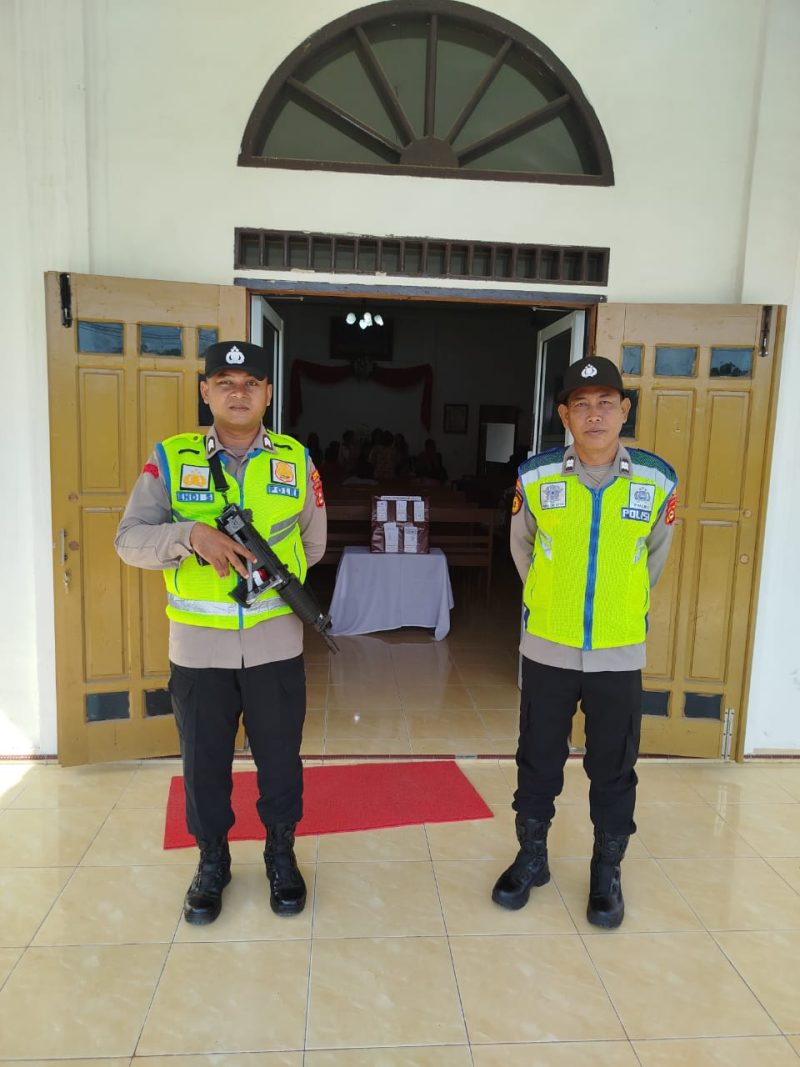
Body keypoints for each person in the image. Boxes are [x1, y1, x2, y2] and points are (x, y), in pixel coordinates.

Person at [115, 341, 327, 925]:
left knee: (280, 760)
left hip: (275, 644)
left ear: (267, 394)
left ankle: (281, 855)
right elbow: (129, 540)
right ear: (205, 391)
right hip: (199, 649)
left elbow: (312, 544)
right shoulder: (171, 457)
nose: (239, 393)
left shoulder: (295, 459)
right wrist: (189, 536)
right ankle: (212, 863)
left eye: (251, 383)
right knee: (204, 763)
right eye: (226, 382)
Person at [492, 356, 677, 929]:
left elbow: (653, 558)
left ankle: (606, 869)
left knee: (614, 767)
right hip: (549, 646)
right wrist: (553, 599)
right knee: (537, 760)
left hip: (618, 651)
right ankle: (532, 857)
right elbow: (522, 549)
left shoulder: (656, 479)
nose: (594, 414)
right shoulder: (536, 476)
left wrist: (617, 603)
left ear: (624, 410)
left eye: (605, 403)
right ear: (564, 414)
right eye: (582, 404)